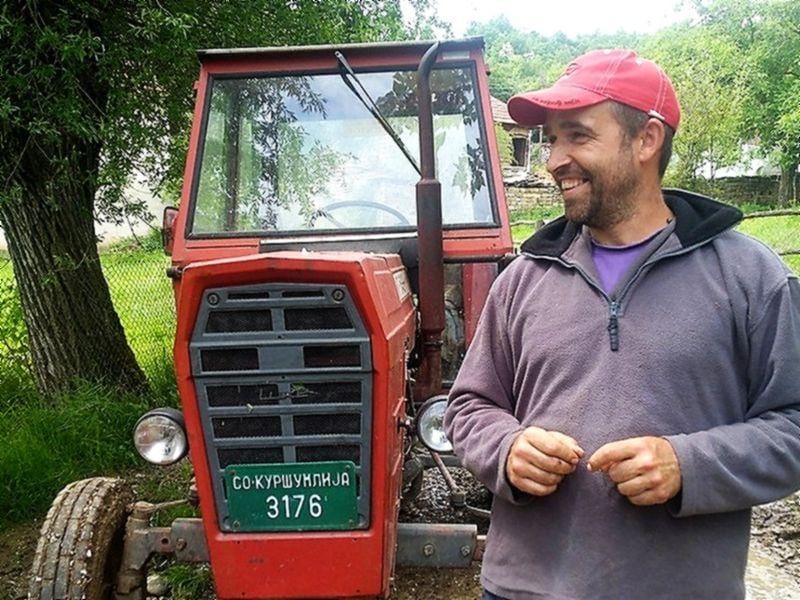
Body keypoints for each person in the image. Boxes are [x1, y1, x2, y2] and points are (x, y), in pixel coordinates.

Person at [444, 48, 800, 600]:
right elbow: (467, 408)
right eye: (552, 140)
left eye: (577, 136)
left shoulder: (751, 277)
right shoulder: (523, 279)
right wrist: (507, 449)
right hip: (523, 589)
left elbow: (792, 426)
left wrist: (689, 464)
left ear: (646, 140)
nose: (554, 159)